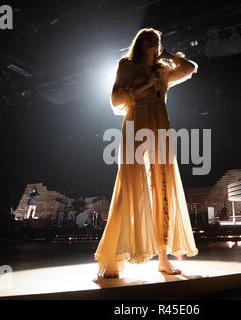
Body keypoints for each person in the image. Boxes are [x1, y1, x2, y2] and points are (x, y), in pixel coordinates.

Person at [94, 28, 199, 278]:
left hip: (160, 124)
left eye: (156, 38)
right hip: (136, 122)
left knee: (163, 186)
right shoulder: (126, 65)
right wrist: (146, 84)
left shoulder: (163, 70)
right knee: (130, 185)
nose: (152, 40)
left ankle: (163, 259)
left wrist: (170, 55)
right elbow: (116, 99)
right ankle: (114, 258)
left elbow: (190, 67)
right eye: (147, 37)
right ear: (139, 43)